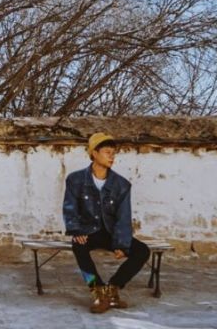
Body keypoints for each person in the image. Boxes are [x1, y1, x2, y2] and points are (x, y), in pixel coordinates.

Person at [62, 133, 150, 314]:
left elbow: (123, 217)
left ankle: (112, 289)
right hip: (88, 231)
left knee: (142, 251)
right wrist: (76, 230)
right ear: (94, 153)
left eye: (113, 153)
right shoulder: (75, 179)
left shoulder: (121, 184)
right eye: (107, 152)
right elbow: (70, 207)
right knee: (78, 245)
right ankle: (97, 290)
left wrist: (121, 244)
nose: (112, 157)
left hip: (111, 233)